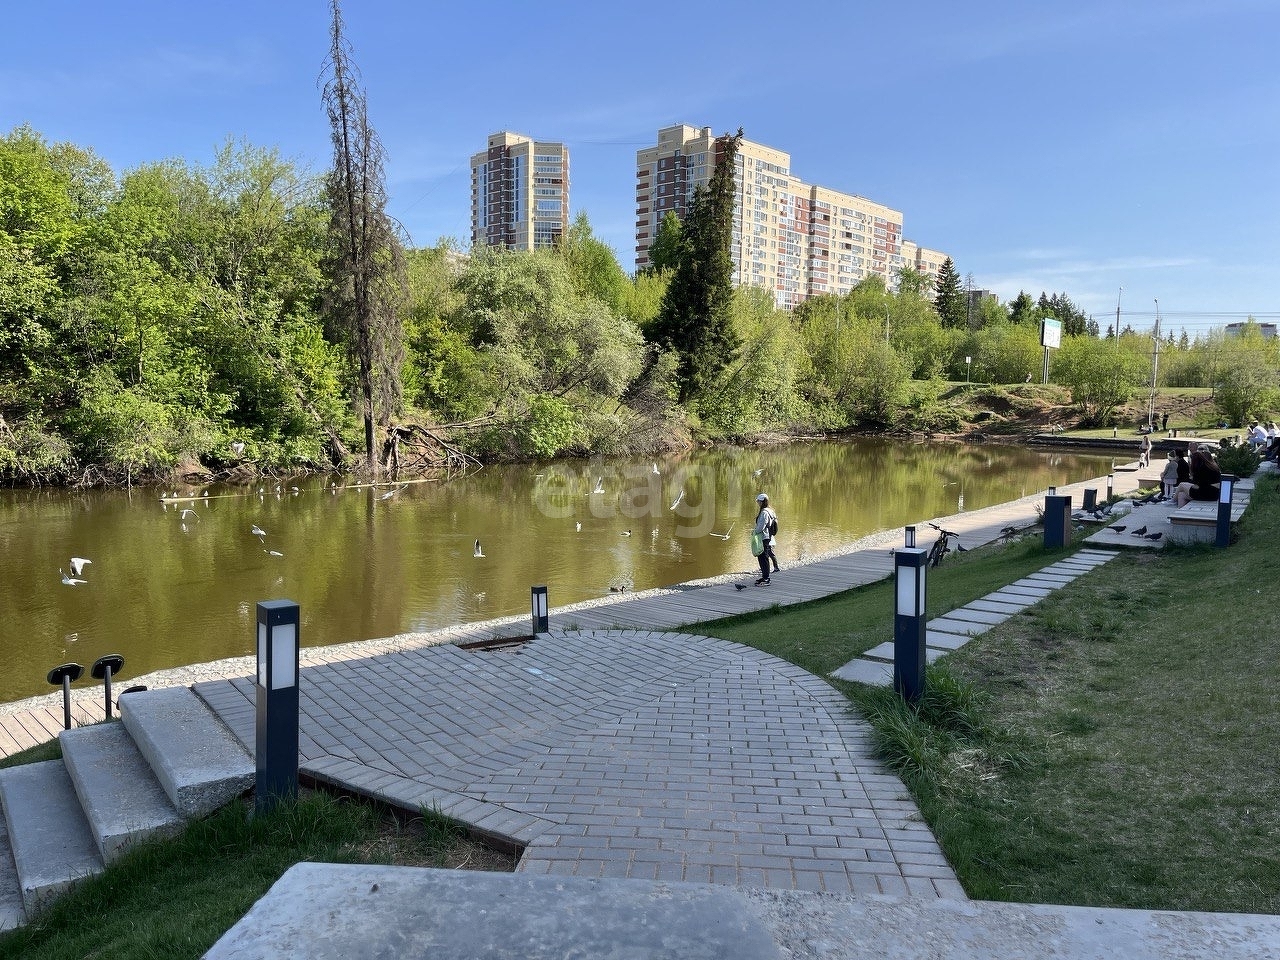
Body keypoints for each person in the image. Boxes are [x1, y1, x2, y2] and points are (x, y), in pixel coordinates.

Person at [752, 493, 778, 585]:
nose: (757, 503)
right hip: (768, 536)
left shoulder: (764, 513)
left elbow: (761, 527)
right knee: (764, 556)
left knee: (763, 557)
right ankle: (764, 576)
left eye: (758, 501)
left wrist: (754, 531)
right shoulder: (771, 511)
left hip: (763, 537)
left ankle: (766, 578)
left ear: (762, 501)